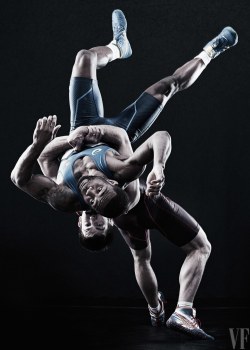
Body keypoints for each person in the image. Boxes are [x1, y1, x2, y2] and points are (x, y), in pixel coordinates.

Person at [11, 9, 238, 218]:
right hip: (119, 132)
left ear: (88, 208)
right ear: (112, 182)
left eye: (91, 199)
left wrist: (43, 144)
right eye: (100, 190)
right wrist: (159, 165)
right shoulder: (123, 171)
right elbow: (156, 137)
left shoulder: (66, 196)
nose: (90, 191)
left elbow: (21, 177)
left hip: (81, 125)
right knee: (167, 88)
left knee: (84, 57)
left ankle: (118, 46)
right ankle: (212, 50)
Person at [78, 181, 213, 340]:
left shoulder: (73, 196)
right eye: (99, 225)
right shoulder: (84, 186)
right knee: (201, 247)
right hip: (148, 203)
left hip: (128, 217)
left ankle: (155, 310)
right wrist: (158, 165)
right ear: (109, 222)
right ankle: (183, 311)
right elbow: (134, 163)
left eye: (89, 224)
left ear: (79, 222)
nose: (93, 219)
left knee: (140, 259)